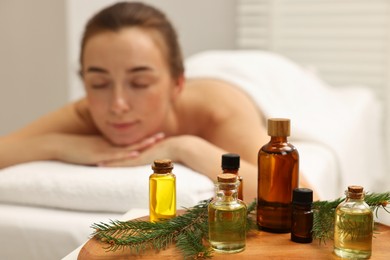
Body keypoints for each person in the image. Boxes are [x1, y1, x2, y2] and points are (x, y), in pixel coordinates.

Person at [0, 2, 313, 202]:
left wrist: (185, 147)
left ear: (177, 83)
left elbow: (304, 197)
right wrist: (58, 145)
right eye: (99, 83)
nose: (117, 104)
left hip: (257, 75)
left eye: (139, 83)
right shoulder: (86, 111)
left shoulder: (216, 111)